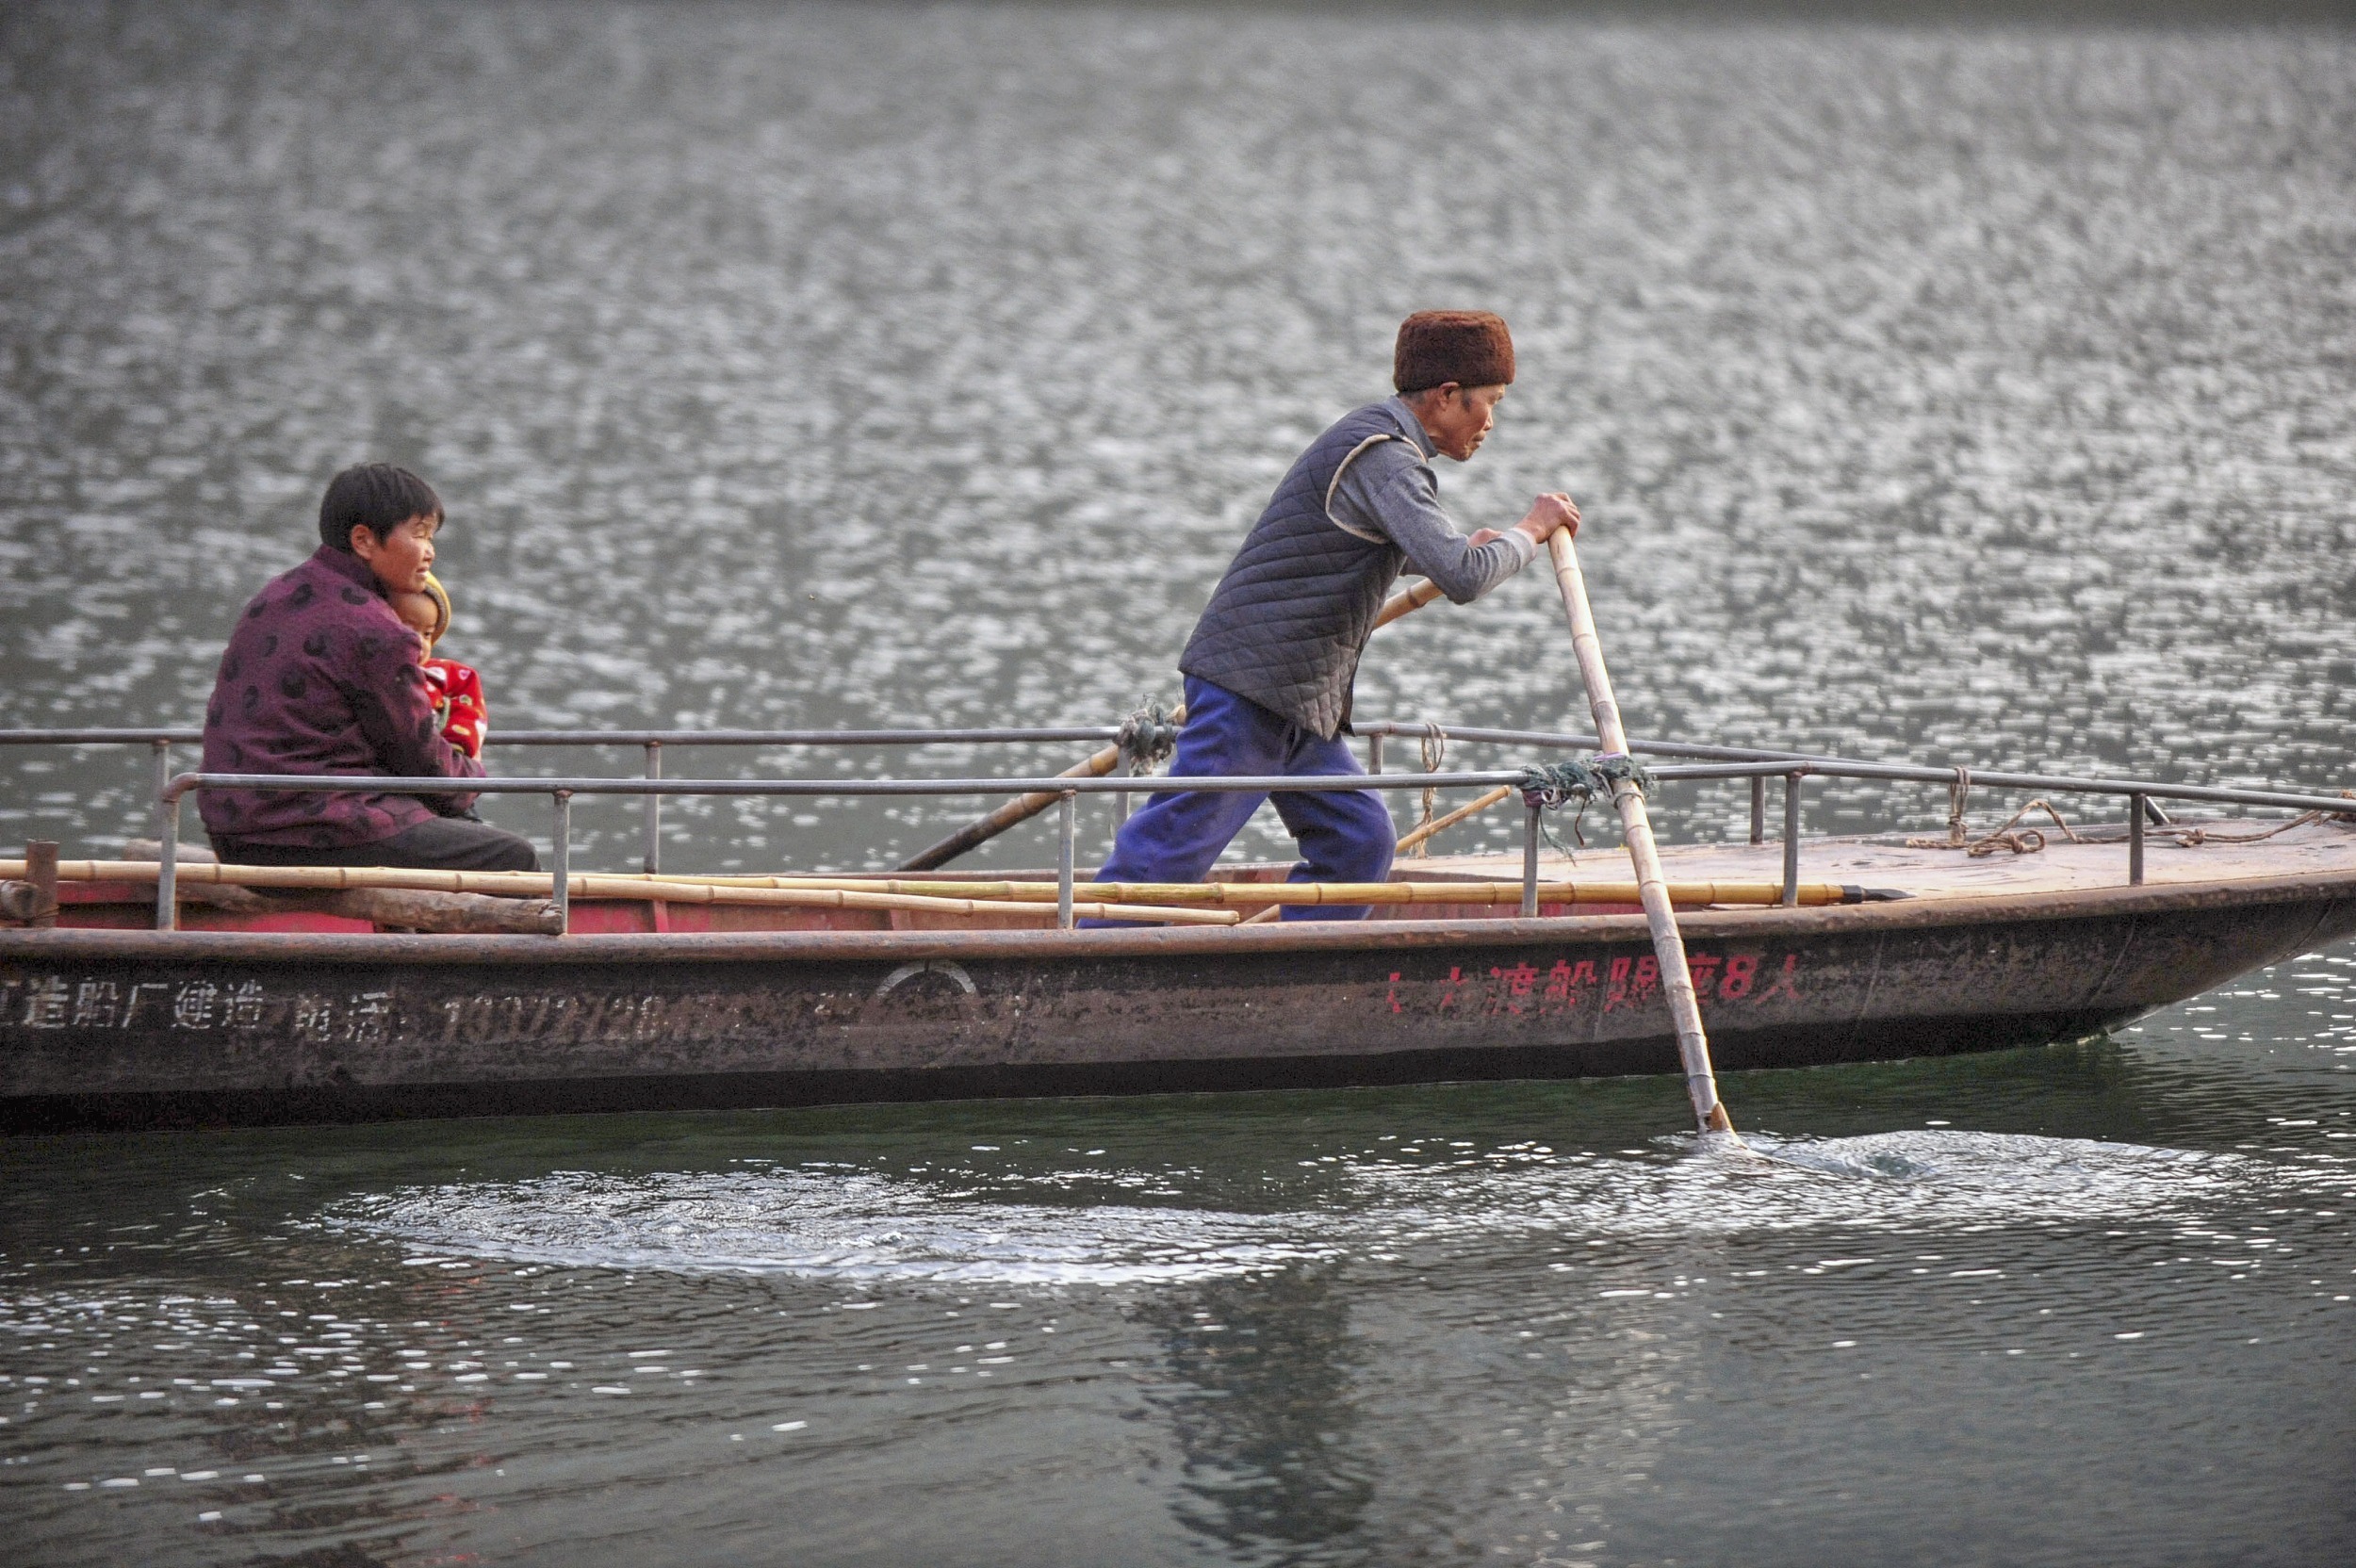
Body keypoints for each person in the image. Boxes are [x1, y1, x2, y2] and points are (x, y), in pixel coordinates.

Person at [1091, 310, 1579, 921]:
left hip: (1298, 696)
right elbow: (1463, 577)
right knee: (1174, 844)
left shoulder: (1374, 438)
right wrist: (1532, 530)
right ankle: (1086, 947)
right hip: (1254, 686)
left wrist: (1472, 548)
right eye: (1490, 402)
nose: (1491, 422)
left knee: (1357, 843)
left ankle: (1292, 964)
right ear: (1447, 395)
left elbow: (1348, 548)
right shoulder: (1387, 458)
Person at [198, 464, 538, 871]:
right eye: (419, 534)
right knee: (512, 856)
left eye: (430, 537)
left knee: (449, 821)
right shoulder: (376, 630)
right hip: (312, 830)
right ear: (363, 541)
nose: (430, 552)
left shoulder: (275, 594)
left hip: (234, 831)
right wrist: (473, 775)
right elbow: (418, 756)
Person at [390, 575, 491, 760]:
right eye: (409, 629)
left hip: (436, 759)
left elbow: (470, 707)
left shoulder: (441, 674)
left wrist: (458, 745)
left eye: (427, 634)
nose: (420, 641)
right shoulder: (366, 672)